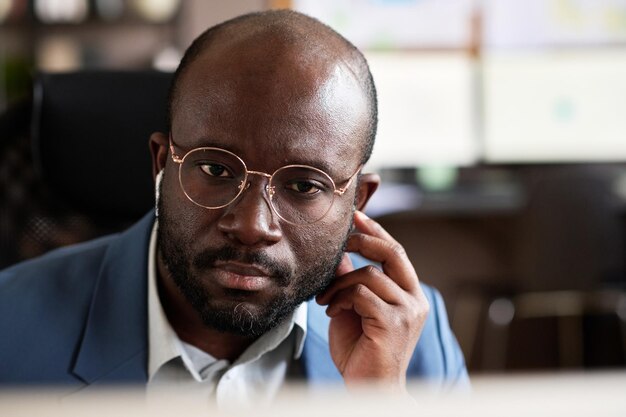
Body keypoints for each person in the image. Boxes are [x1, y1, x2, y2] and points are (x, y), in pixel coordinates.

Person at [0, 9, 467, 406]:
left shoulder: (411, 343)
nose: (251, 225)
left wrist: (379, 405)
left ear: (357, 202)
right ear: (162, 165)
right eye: (217, 171)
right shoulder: (9, 326)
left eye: (304, 185)